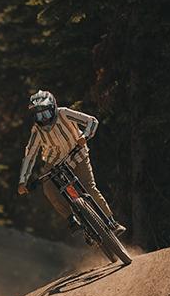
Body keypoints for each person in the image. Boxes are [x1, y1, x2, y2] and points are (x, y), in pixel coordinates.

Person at [17, 90, 126, 235]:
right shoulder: (37, 130)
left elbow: (92, 121)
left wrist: (85, 136)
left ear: (54, 108)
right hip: (54, 162)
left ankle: (111, 222)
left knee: (89, 187)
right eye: (39, 115)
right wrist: (23, 181)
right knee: (49, 189)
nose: (43, 119)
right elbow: (29, 155)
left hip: (78, 154)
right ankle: (71, 219)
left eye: (46, 114)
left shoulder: (64, 113)